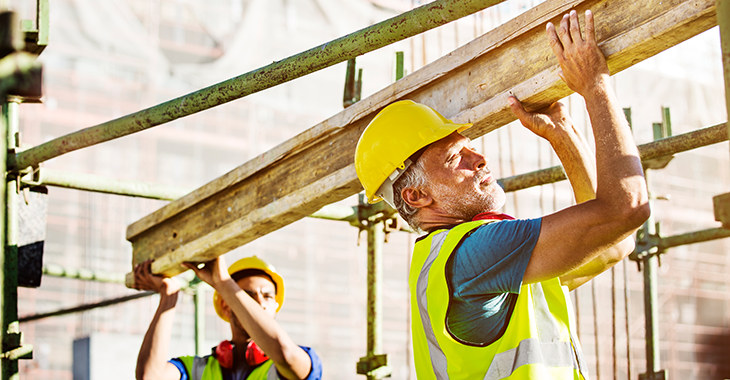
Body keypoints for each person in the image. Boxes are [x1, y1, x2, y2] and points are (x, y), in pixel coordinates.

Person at [354, 9, 650, 380]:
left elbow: (613, 245)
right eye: (455, 158)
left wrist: (564, 134)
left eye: (471, 147)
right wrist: (595, 85)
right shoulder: (475, 253)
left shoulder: (480, 263)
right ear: (416, 196)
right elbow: (628, 208)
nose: (479, 158)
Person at [134, 255, 323, 380]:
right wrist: (169, 297)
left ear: (275, 306)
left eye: (267, 296)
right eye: (248, 296)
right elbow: (150, 376)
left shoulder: (295, 362)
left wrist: (223, 283)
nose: (260, 303)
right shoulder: (198, 370)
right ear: (226, 305)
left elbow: (285, 355)